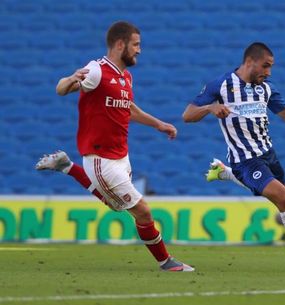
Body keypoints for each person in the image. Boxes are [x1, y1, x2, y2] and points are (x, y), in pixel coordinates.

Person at [35, 21, 194, 272]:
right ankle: (166, 262)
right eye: (136, 44)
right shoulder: (97, 70)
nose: (139, 50)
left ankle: (67, 166)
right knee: (142, 211)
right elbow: (61, 88)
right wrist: (70, 79)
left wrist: (159, 124)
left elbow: (129, 109)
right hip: (100, 158)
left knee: (117, 205)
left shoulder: (125, 76)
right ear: (121, 44)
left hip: (121, 155)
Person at [182, 42, 285, 271]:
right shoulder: (221, 85)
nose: (268, 72)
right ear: (250, 62)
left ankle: (225, 173)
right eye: (265, 66)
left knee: (284, 200)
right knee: (282, 197)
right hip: (245, 160)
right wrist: (209, 108)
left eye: (271, 68)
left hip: (268, 154)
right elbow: (187, 115)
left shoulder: (266, 89)